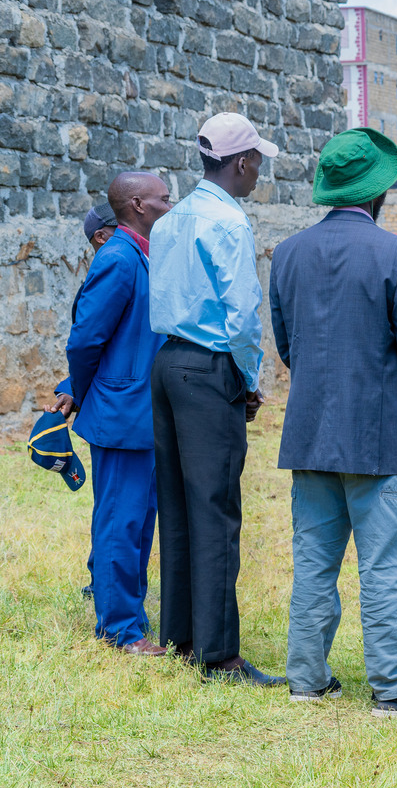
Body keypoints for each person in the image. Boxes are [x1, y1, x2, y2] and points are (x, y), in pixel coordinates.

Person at [271, 127, 397, 715]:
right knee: (389, 568)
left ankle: (306, 679)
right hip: (377, 434)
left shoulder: (289, 253)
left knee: (313, 563)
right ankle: (392, 691)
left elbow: (289, 345)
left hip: (310, 429)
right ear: (380, 192)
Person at [149, 112, 282, 685]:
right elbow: (242, 313)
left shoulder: (169, 220)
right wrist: (249, 379)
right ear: (242, 161)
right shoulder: (228, 222)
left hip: (168, 363)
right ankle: (220, 654)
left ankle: (180, 636)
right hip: (208, 367)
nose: (260, 172)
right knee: (216, 508)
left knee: (176, 503)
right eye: (258, 162)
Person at [46, 175, 171, 656]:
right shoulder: (117, 258)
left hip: (142, 411)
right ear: (138, 205)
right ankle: (120, 629)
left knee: (139, 519)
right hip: (121, 412)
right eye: (162, 198)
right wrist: (75, 389)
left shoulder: (141, 253)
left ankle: (125, 610)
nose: (169, 203)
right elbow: (84, 340)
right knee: (121, 519)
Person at [50, 202, 119, 600]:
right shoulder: (110, 268)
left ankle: (103, 578)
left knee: (118, 506)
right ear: (101, 235)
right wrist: (73, 386)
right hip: (109, 405)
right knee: (113, 505)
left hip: (117, 403)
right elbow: (89, 344)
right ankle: (103, 585)